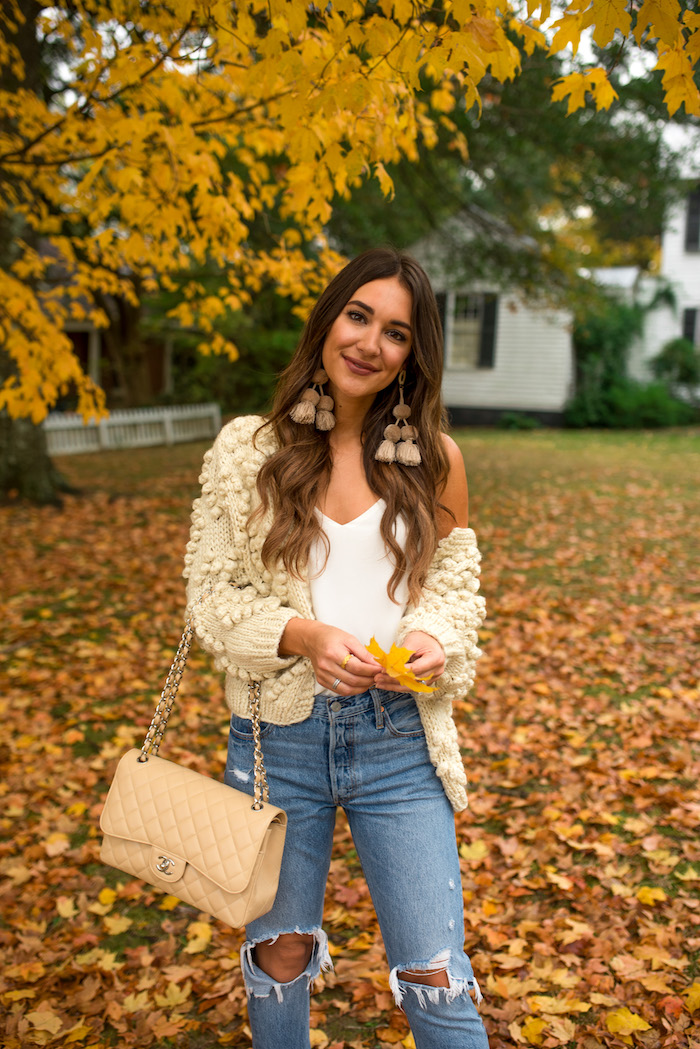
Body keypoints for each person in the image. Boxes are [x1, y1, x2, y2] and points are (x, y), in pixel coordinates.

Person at [184, 248, 489, 1049]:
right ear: (327, 322)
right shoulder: (247, 450)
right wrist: (303, 635)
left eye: (395, 332)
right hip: (276, 743)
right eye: (358, 316)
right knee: (278, 958)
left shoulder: (437, 459)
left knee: (436, 968)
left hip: (399, 742)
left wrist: (433, 635)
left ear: (412, 354)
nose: (369, 343)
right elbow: (210, 600)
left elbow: (456, 588)